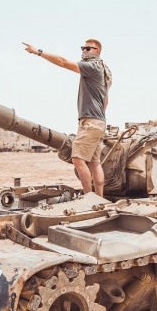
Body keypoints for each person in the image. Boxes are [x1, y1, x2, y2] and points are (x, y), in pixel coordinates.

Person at [22, 38, 112, 196]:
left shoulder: (92, 66)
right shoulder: (103, 71)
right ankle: (99, 198)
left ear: (97, 52)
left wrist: (38, 52)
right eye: (83, 48)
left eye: (88, 48)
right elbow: (106, 101)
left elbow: (63, 62)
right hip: (99, 121)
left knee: (77, 159)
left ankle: (89, 198)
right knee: (94, 162)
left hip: (90, 122)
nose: (84, 51)